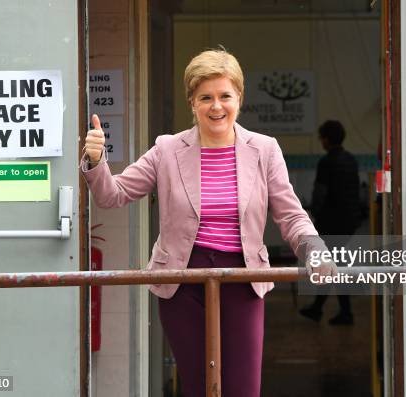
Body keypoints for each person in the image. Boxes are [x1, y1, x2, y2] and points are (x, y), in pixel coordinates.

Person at [81, 49, 335, 397]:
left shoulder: (264, 149)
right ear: (192, 102)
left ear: (239, 99)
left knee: (243, 388)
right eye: (206, 98)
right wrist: (96, 160)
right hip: (183, 281)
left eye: (225, 96)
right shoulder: (167, 150)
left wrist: (314, 249)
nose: (216, 106)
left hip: (245, 278)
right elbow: (114, 195)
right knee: (199, 388)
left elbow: (289, 213)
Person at [299, 120, 361, 325]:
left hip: (331, 222)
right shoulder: (351, 160)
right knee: (335, 265)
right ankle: (332, 310)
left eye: (321, 138)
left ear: (326, 139)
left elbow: (320, 193)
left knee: (330, 265)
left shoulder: (326, 162)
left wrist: (314, 215)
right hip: (350, 222)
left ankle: (334, 311)